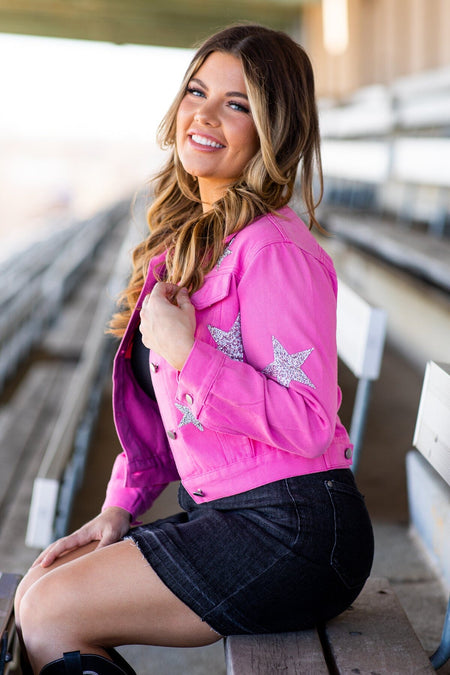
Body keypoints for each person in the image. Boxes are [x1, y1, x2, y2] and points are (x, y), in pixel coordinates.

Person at [15, 23, 374, 675]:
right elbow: (161, 414)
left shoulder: (275, 251)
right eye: (197, 91)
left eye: (236, 103)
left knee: (49, 611)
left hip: (296, 530)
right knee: (35, 595)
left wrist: (192, 356)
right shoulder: (199, 242)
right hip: (238, 515)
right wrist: (116, 509)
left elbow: (309, 420)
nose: (203, 114)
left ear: (274, 128)